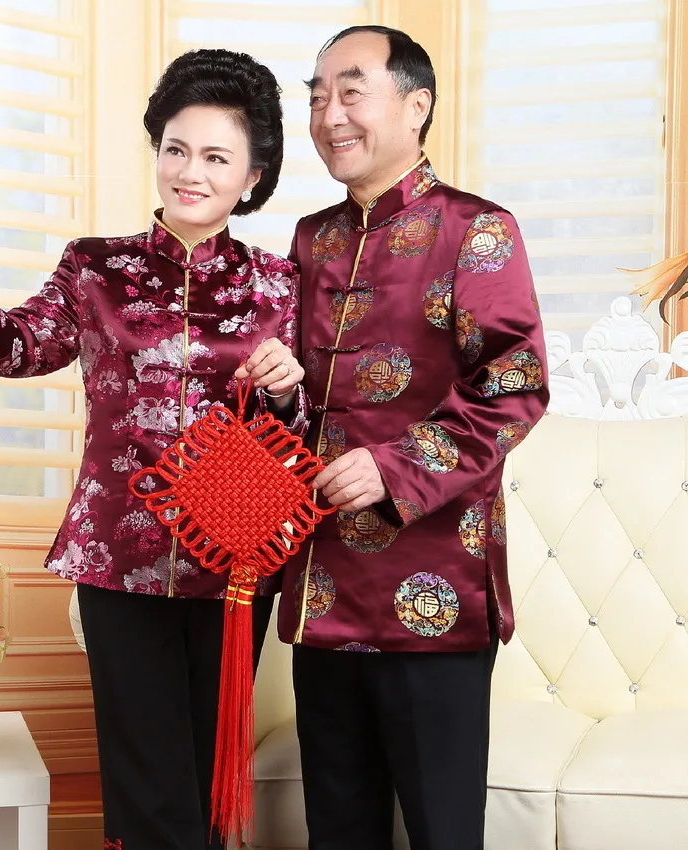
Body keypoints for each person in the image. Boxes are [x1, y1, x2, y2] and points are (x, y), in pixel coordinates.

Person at [0, 49, 306, 850]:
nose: (190, 172)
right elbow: (18, 347)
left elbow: (302, 430)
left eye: (217, 157)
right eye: (176, 149)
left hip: (234, 562)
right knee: (143, 772)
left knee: (208, 770)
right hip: (118, 555)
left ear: (253, 176)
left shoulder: (281, 284)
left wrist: (287, 389)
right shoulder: (95, 268)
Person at [279, 25, 549, 850]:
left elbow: (515, 384)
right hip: (321, 591)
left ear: (416, 104)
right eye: (317, 96)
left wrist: (395, 467)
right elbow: (293, 401)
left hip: (436, 595)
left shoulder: (478, 229)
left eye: (351, 91)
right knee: (339, 832)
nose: (330, 115)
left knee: (442, 833)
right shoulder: (312, 239)